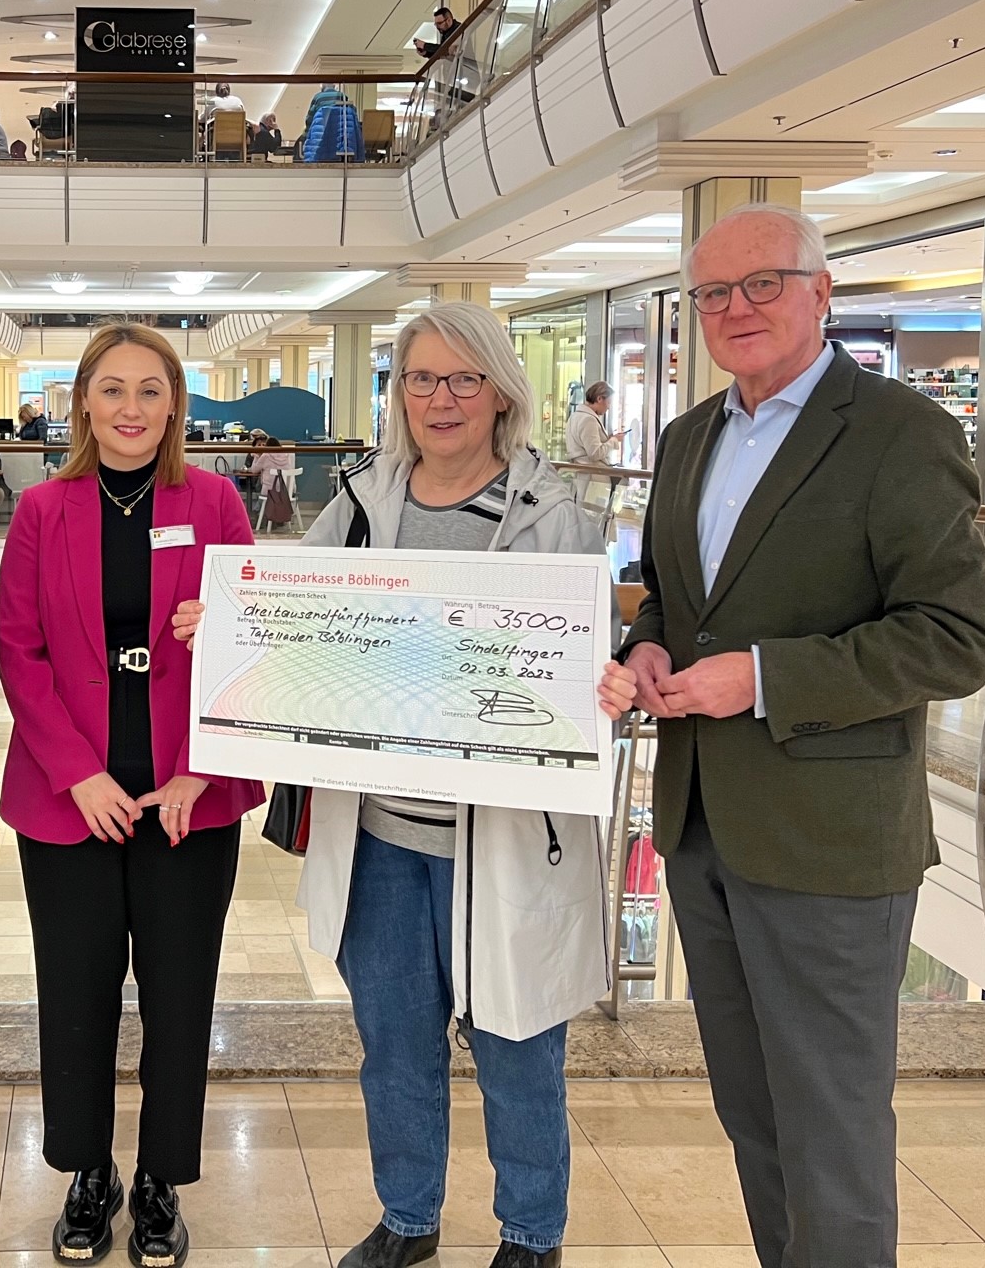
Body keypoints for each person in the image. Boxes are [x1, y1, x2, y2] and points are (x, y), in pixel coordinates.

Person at [179, 303, 637, 1268]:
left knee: (519, 1049)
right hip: (382, 838)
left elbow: (578, 657)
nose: (442, 399)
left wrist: (606, 679)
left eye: (465, 379)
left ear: (502, 391)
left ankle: (531, 1232)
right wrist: (231, 621)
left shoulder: (555, 519)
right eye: (422, 379)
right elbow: (300, 613)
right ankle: (409, 1217)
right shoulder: (360, 502)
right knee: (393, 1047)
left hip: (504, 839)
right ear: (399, 393)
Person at [602, 204, 985, 1268]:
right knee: (756, 1116)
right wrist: (649, 647)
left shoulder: (899, 433)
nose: (737, 310)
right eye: (715, 294)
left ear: (821, 293)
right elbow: (676, 603)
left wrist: (768, 679)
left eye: (763, 283)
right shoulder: (690, 439)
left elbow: (955, 640)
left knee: (832, 1129)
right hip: (699, 830)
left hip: (828, 843)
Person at [0, 323, 263, 1268]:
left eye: (151, 391)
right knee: (75, 994)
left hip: (190, 794)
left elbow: (254, 643)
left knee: (180, 996)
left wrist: (203, 762)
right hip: (71, 795)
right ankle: (89, 1174)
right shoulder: (44, 510)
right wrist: (78, 773)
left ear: (175, 406)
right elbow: (19, 653)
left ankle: (158, 1179)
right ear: (81, 402)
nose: (131, 409)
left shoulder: (217, 500)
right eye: (112, 389)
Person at [563, 381, 622, 506]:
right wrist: (613, 441)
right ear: (599, 399)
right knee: (593, 518)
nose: (608, 407)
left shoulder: (575, 417)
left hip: (582, 475)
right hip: (593, 478)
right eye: (608, 402)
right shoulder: (588, 419)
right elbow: (595, 453)